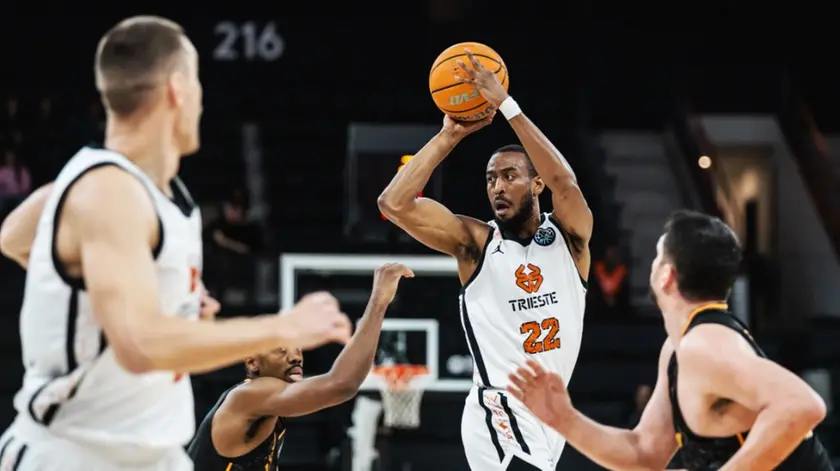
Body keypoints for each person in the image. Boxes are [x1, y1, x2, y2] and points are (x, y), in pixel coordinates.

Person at [0, 16, 351, 471]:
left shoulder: (146, 191)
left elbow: (16, 237)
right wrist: (282, 327)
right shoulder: (107, 189)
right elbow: (141, 345)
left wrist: (164, 303)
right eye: (199, 88)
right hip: (78, 455)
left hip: (149, 452)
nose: (201, 105)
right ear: (177, 89)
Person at [378, 49, 592, 470]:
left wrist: (507, 105)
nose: (497, 186)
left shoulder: (569, 240)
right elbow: (394, 204)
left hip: (552, 416)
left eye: (510, 176)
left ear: (536, 184)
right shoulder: (475, 243)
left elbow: (565, 182)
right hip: (499, 407)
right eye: (491, 178)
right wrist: (449, 137)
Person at [508, 210, 834, 471]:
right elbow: (645, 454)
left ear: (667, 275)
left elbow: (802, 405)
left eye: (658, 255)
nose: (651, 264)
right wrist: (564, 420)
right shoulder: (680, 347)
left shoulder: (704, 344)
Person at [188, 263, 414, 470]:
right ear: (252, 362)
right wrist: (379, 302)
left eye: (297, 349)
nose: (295, 357)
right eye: (281, 351)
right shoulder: (250, 394)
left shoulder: (268, 402)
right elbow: (342, 384)